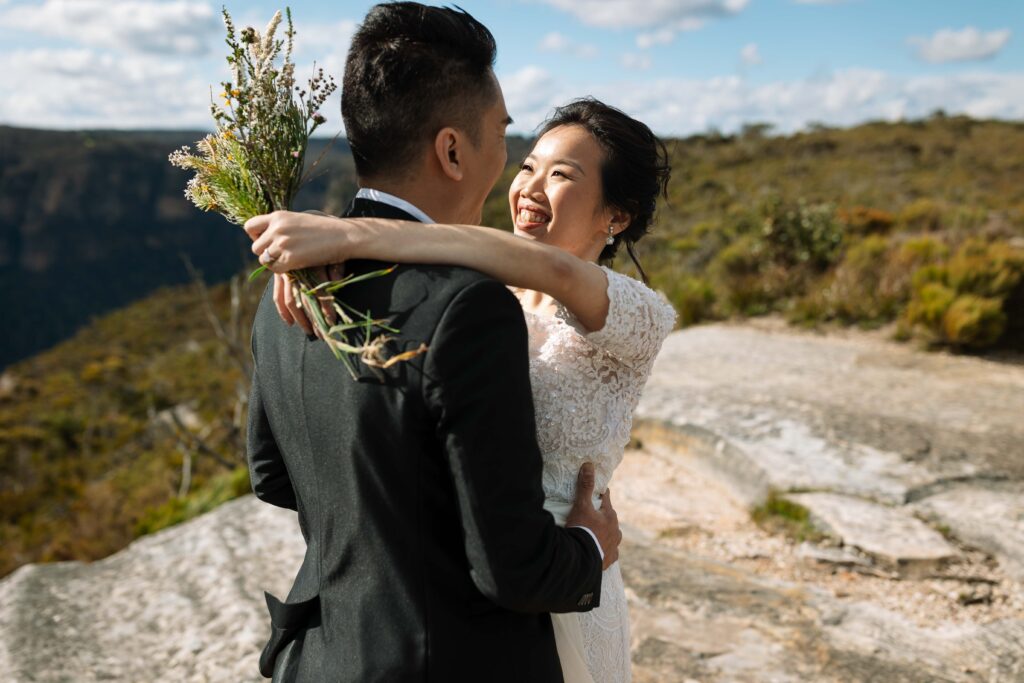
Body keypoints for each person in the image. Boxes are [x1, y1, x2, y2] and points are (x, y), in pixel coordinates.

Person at [244, 3, 621, 682]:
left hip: (321, 658)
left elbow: (273, 471)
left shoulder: (286, 284)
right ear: (452, 150)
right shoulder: (468, 308)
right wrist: (593, 546)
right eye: (500, 133)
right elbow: (514, 566)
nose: (507, 160)